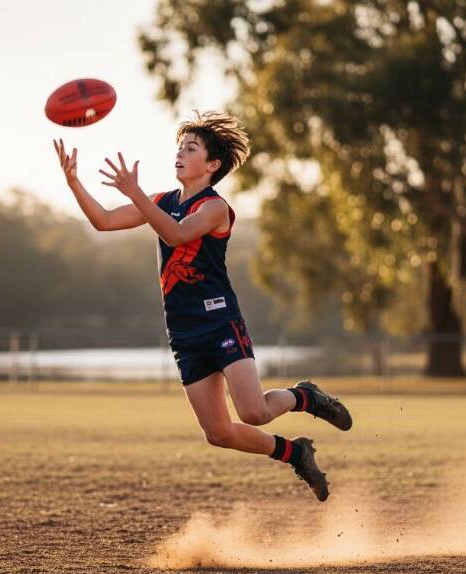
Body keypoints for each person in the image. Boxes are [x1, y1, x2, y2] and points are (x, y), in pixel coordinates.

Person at [52, 111, 352, 501]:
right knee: (219, 433)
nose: (180, 153)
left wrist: (136, 194)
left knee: (254, 412)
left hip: (218, 320)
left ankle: (306, 396)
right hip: (183, 331)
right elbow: (104, 222)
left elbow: (176, 235)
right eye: (179, 147)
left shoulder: (214, 208)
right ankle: (295, 453)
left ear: (211, 165)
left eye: (190, 148)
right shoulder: (162, 201)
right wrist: (73, 182)